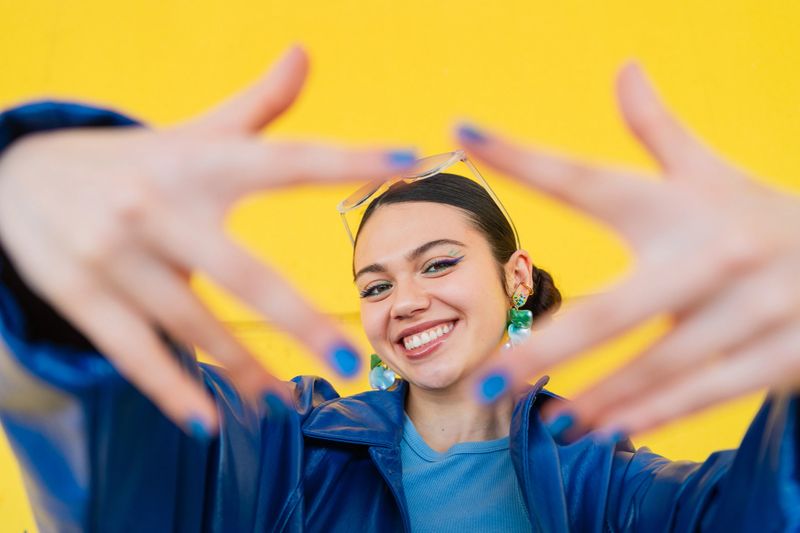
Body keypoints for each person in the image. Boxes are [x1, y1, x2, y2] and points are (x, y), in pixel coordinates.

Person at [0, 46, 798, 532]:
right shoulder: (292, 454)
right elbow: (127, 462)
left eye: (439, 263)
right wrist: (42, 267)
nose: (405, 299)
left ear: (514, 275)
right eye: (375, 283)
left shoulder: (613, 489)